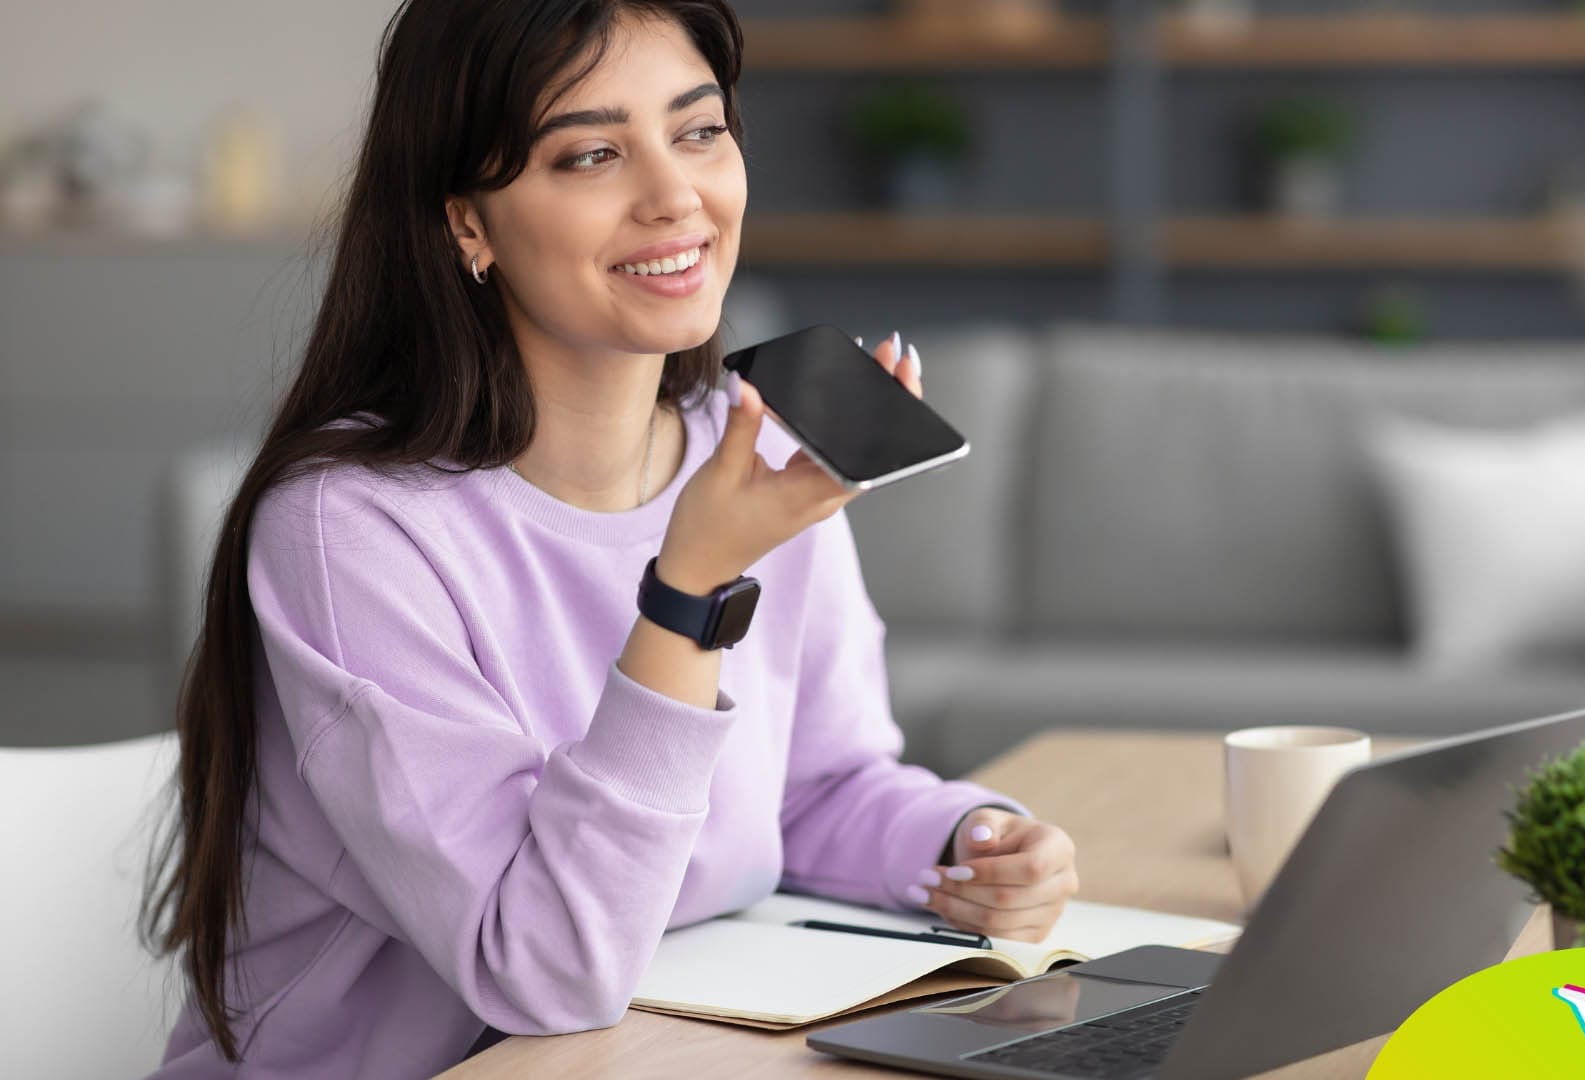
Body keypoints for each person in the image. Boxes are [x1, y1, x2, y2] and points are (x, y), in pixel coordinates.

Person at [138, 1, 1080, 1075]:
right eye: (590, 154)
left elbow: (814, 788)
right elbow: (540, 968)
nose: (674, 195)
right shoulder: (352, 528)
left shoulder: (752, 448)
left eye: (698, 131)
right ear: (468, 225)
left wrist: (971, 843)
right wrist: (690, 588)